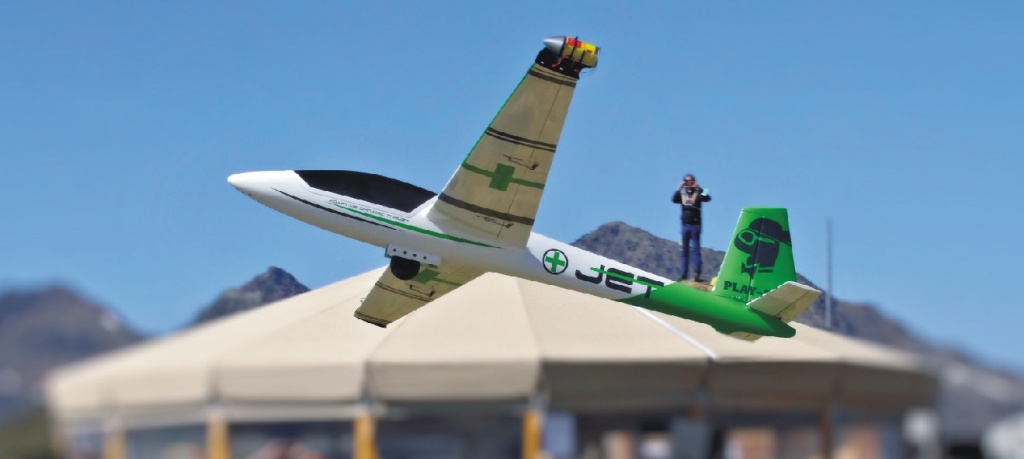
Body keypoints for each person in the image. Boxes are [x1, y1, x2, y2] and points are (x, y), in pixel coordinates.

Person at [671, 174, 711, 281]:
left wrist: (699, 188)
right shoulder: (682, 195)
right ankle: (683, 275)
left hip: (695, 226)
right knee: (684, 251)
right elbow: (674, 199)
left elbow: (707, 198)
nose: (689, 184)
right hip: (685, 226)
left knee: (695, 250)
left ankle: (697, 274)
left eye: (691, 181)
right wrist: (679, 188)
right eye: (686, 182)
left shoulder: (698, 194)